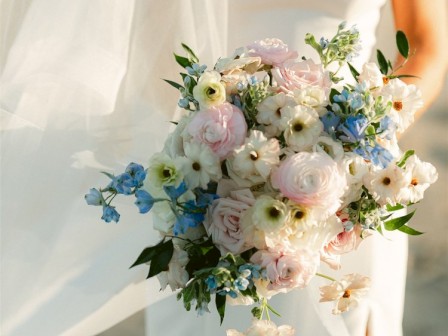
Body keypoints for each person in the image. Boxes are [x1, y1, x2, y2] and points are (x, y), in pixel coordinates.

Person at [0, 1, 445, 335]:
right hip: (215, 190)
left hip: (351, 188)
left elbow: (427, 45)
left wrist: (362, 142)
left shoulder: (357, 165)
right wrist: (217, 138)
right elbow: (149, 60)